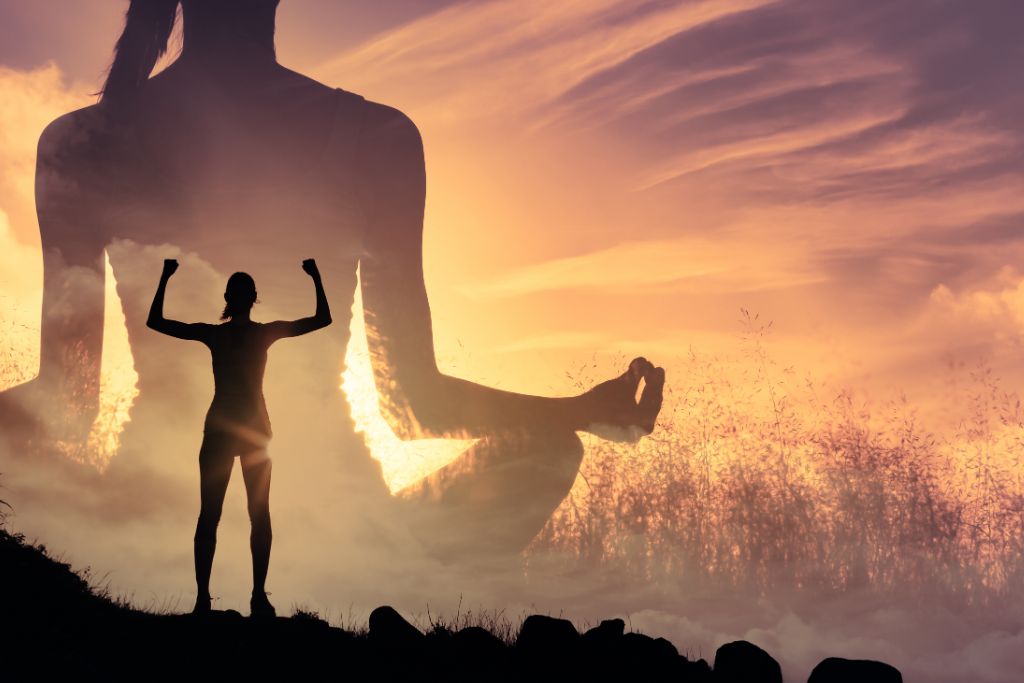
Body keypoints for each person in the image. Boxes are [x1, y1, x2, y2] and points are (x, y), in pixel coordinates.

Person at [0, 0, 665, 586]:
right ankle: (394, 602)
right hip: (353, 527)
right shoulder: (377, 138)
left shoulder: (84, 141)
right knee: (551, 447)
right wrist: (576, 410)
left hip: (146, 521)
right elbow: (413, 405)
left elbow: (67, 403)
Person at [147, 257, 332, 616]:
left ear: (232, 298)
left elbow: (156, 321)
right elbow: (322, 318)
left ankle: (221, 598)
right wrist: (316, 277)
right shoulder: (258, 333)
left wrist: (165, 276)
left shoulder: (223, 334)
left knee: (217, 516)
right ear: (250, 298)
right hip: (247, 430)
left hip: (231, 430)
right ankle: (247, 597)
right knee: (250, 515)